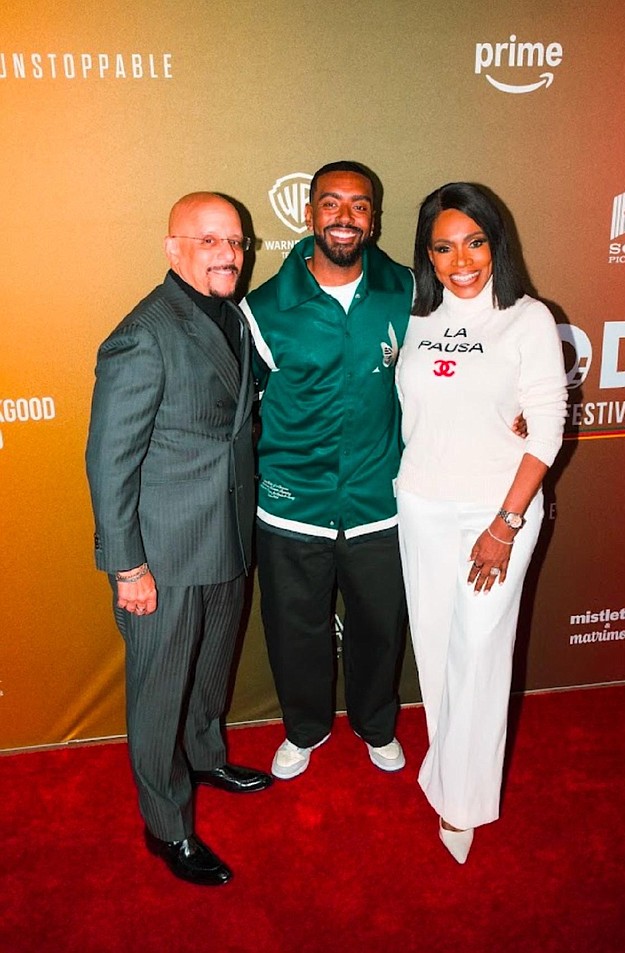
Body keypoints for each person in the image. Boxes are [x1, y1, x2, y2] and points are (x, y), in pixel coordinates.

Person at [85, 192, 273, 887]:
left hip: (225, 536)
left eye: (237, 241)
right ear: (172, 248)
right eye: (209, 240)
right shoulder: (144, 333)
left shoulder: (229, 314)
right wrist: (127, 565)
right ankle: (167, 826)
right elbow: (110, 462)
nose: (228, 253)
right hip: (162, 554)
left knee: (209, 667)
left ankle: (204, 755)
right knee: (161, 687)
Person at [395, 182, 567, 863]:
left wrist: (504, 523)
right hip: (422, 503)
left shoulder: (525, 317)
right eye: (442, 246)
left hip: (499, 512)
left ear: (497, 243)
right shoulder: (412, 314)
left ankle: (463, 801)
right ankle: (447, 765)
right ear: (427, 254)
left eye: (474, 242)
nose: (460, 260)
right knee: (437, 651)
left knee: (482, 651)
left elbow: (547, 429)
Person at [240, 161, 414, 780]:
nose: (345, 218)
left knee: (380, 628)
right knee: (294, 632)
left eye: (359, 205)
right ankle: (304, 729)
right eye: (331, 204)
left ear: (374, 218)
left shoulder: (408, 290)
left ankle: (375, 724)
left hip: (379, 500)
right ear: (309, 214)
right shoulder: (262, 309)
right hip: (293, 504)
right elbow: (240, 411)